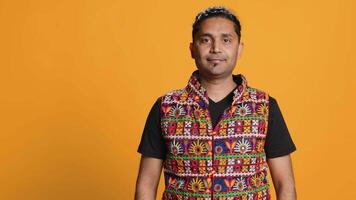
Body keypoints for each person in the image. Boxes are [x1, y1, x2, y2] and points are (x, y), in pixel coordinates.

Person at [135, 6, 297, 200]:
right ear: (192, 49)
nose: (216, 48)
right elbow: (146, 184)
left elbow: (284, 184)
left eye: (226, 40)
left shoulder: (264, 106)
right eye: (205, 40)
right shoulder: (166, 107)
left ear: (239, 49)